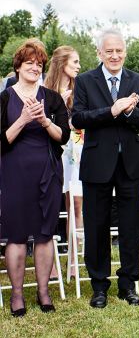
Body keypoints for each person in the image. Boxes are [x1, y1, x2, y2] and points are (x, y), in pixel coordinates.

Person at [71, 28, 139, 309]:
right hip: (97, 165)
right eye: (109, 51)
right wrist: (112, 110)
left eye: (119, 50)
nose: (115, 55)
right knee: (96, 226)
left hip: (131, 164)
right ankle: (99, 286)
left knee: (130, 226)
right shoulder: (84, 81)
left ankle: (128, 285)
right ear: (99, 53)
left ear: (124, 52)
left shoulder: (137, 81)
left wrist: (130, 111)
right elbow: (78, 117)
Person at [0, 39, 69, 316]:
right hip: (14, 173)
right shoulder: (4, 99)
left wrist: (44, 120)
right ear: (18, 66)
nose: (34, 67)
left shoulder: (52, 98)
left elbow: (62, 136)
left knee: (44, 234)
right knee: (16, 236)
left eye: (39, 64)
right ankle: (17, 295)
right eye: (29, 62)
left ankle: (43, 291)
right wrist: (23, 118)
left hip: (47, 173)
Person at [44, 45, 82, 278]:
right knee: (51, 206)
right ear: (61, 64)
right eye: (75, 62)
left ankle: (74, 262)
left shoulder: (80, 91)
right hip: (53, 152)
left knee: (76, 205)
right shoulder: (44, 90)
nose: (79, 66)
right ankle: (51, 265)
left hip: (77, 152)